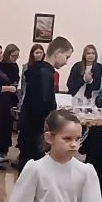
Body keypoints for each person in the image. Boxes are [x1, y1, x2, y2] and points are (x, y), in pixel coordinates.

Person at [18, 37, 72, 171]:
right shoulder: (45, 73)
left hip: (29, 127)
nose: (66, 62)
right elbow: (42, 105)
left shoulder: (39, 69)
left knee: (28, 165)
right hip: (36, 130)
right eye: (66, 57)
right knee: (33, 167)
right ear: (57, 53)